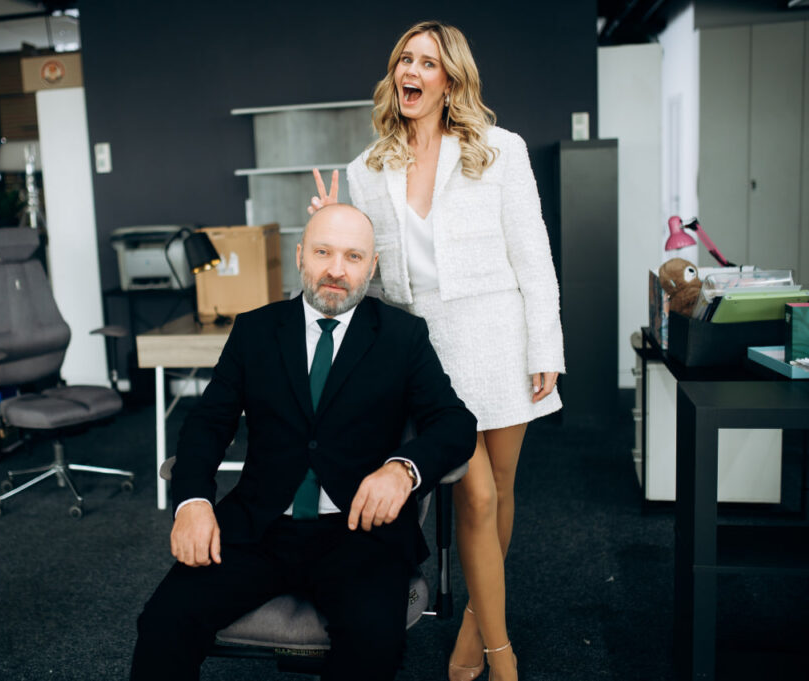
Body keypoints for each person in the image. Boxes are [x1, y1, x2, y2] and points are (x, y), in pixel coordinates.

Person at [307, 20, 565, 681]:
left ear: (450, 79)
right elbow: (364, 277)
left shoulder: (499, 150)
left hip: (499, 336)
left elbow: (533, 255)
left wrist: (546, 343)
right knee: (474, 494)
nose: (410, 71)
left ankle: (477, 624)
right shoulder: (367, 170)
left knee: (500, 489)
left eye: (426, 61)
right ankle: (504, 659)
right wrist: (330, 226)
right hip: (426, 352)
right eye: (404, 60)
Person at [130, 203, 477, 681]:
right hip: (259, 527)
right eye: (322, 252)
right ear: (300, 256)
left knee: (371, 647)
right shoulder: (255, 330)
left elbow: (454, 423)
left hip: (360, 534)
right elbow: (208, 422)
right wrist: (192, 501)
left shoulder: (403, 335)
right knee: (163, 625)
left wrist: (403, 469)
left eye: (353, 256)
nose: (336, 270)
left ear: (372, 266)